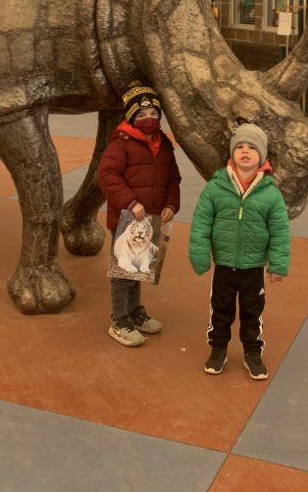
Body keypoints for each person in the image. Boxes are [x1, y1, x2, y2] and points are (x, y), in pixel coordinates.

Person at [188, 122, 291, 380]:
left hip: (253, 267)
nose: (245, 152)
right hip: (224, 265)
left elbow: (279, 231)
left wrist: (277, 265)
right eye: (240, 147)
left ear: (262, 156)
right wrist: (200, 256)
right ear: (232, 153)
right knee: (220, 310)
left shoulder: (271, 194)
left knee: (251, 312)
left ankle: (252, 352)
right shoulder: (216, 188)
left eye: (252, 148)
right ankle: (218, 349)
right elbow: (201, 223)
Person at [97, 81, 181, 347]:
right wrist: (131, 203)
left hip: (151, 219)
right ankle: (119, 320)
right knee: (124, 272)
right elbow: (107, 175)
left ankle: (134, 312)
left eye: (154, 114)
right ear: (131, 116)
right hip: (128, 220)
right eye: (142, 115)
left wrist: (170, 204)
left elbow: (172, 178)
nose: (149, 119)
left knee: (139, 269)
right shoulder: (121, 142)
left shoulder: (163, 143)